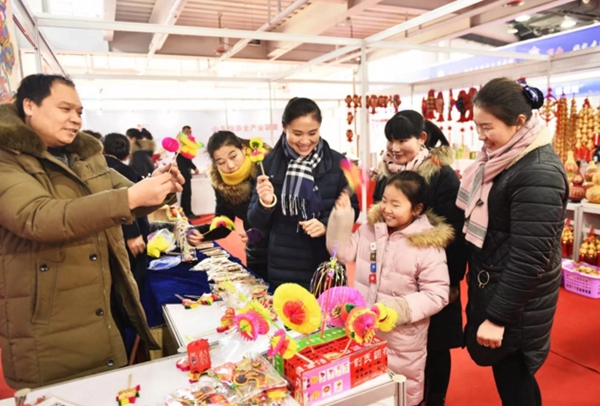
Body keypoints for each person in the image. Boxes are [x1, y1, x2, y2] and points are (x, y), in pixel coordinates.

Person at [0, 74, 185, 389]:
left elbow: (128, 196)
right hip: (48, 319)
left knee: (110, 387)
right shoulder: (7, 156)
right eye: (65, 109)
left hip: (103, 296)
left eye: (80, 111)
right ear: (29, 105)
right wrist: (132, 197)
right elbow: (38, 216)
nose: (75, 119)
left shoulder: (85, 155)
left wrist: (160, 186)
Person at [457, 78, 567, 406]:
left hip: (519, 303)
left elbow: (529, 257)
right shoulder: (504, 159)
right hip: (501, 288)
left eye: (487, 127)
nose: (481, 136)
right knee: (512, 379)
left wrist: (498, 317)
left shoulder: (538, 172)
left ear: (519, 122)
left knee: (515, 380)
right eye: (477, 126)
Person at [327, 172, 451, 406]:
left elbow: (437, 294)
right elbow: (342, 253)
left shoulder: (427, 244)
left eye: (396, 204)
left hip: (403, 337)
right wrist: (341, 220)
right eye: (384, 200)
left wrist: (396, 309)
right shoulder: (370, 229)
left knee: (400, 393)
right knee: (366, 389)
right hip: (363, 328)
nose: (387, 208)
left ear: (417, 209)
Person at [373, 111, 467, 405]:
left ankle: (434, 399)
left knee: (435, 346)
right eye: (391, 140)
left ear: (422, 139)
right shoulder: (388, 173)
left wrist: (451, 281)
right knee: (399, 345)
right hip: (394, 276)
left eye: (403, 140)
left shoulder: (442, 175)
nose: (395, 147)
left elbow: (455, 233)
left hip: (434, 276)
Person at [247, 97, 359, 289]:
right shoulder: (269, 164)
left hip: (325, 264)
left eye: (312, 133)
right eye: (297, 133)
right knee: (286, 316)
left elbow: (353, 209)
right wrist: (265, 204)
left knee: (328, 317)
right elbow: (254, 222)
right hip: (283, 264)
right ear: (284, 128)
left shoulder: (338, 163)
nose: (305, 141)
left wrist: (326, 225)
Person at [187, 131, 269, 281]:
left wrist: (263, 233)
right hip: (255, 250)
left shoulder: (265, 168)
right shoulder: (221, 183)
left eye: (233, 157)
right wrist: (201, 233)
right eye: (221, 162)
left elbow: (285, 212)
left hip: (282, 248)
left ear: (243, 150)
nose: (230, 166)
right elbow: (224, 222)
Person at [103, 132, 151, 292]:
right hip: (127, 232)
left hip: (113, 232)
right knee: (132, 278)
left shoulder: (102, 168)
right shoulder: (120, 170)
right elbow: (126, 201)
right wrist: (132, 232)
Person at [177, 125, 200, 219]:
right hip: (183, 172)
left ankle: (185, 212)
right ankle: (187, 213)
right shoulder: (181, 144)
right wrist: (194, 167)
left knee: (186, 193)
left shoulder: (185, 144)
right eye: (187, 132)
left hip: (185, 171)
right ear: (183, 132)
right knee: (186, 193)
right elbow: (186, 159)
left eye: (190, 132)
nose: (189, 134)